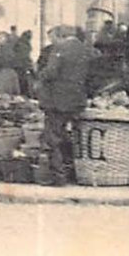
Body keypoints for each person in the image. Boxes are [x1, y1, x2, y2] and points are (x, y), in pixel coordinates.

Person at [37, 26, 95, 185]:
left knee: (52, 137)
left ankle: (58, 176)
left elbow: (51, 72)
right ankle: (73, 172)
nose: (52, 41)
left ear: (61, 36)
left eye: (54, 37)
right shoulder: (85, 50)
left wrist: (39, 76)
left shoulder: (60, 48)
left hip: (58, 99)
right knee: (67, 135)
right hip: (77, 99)